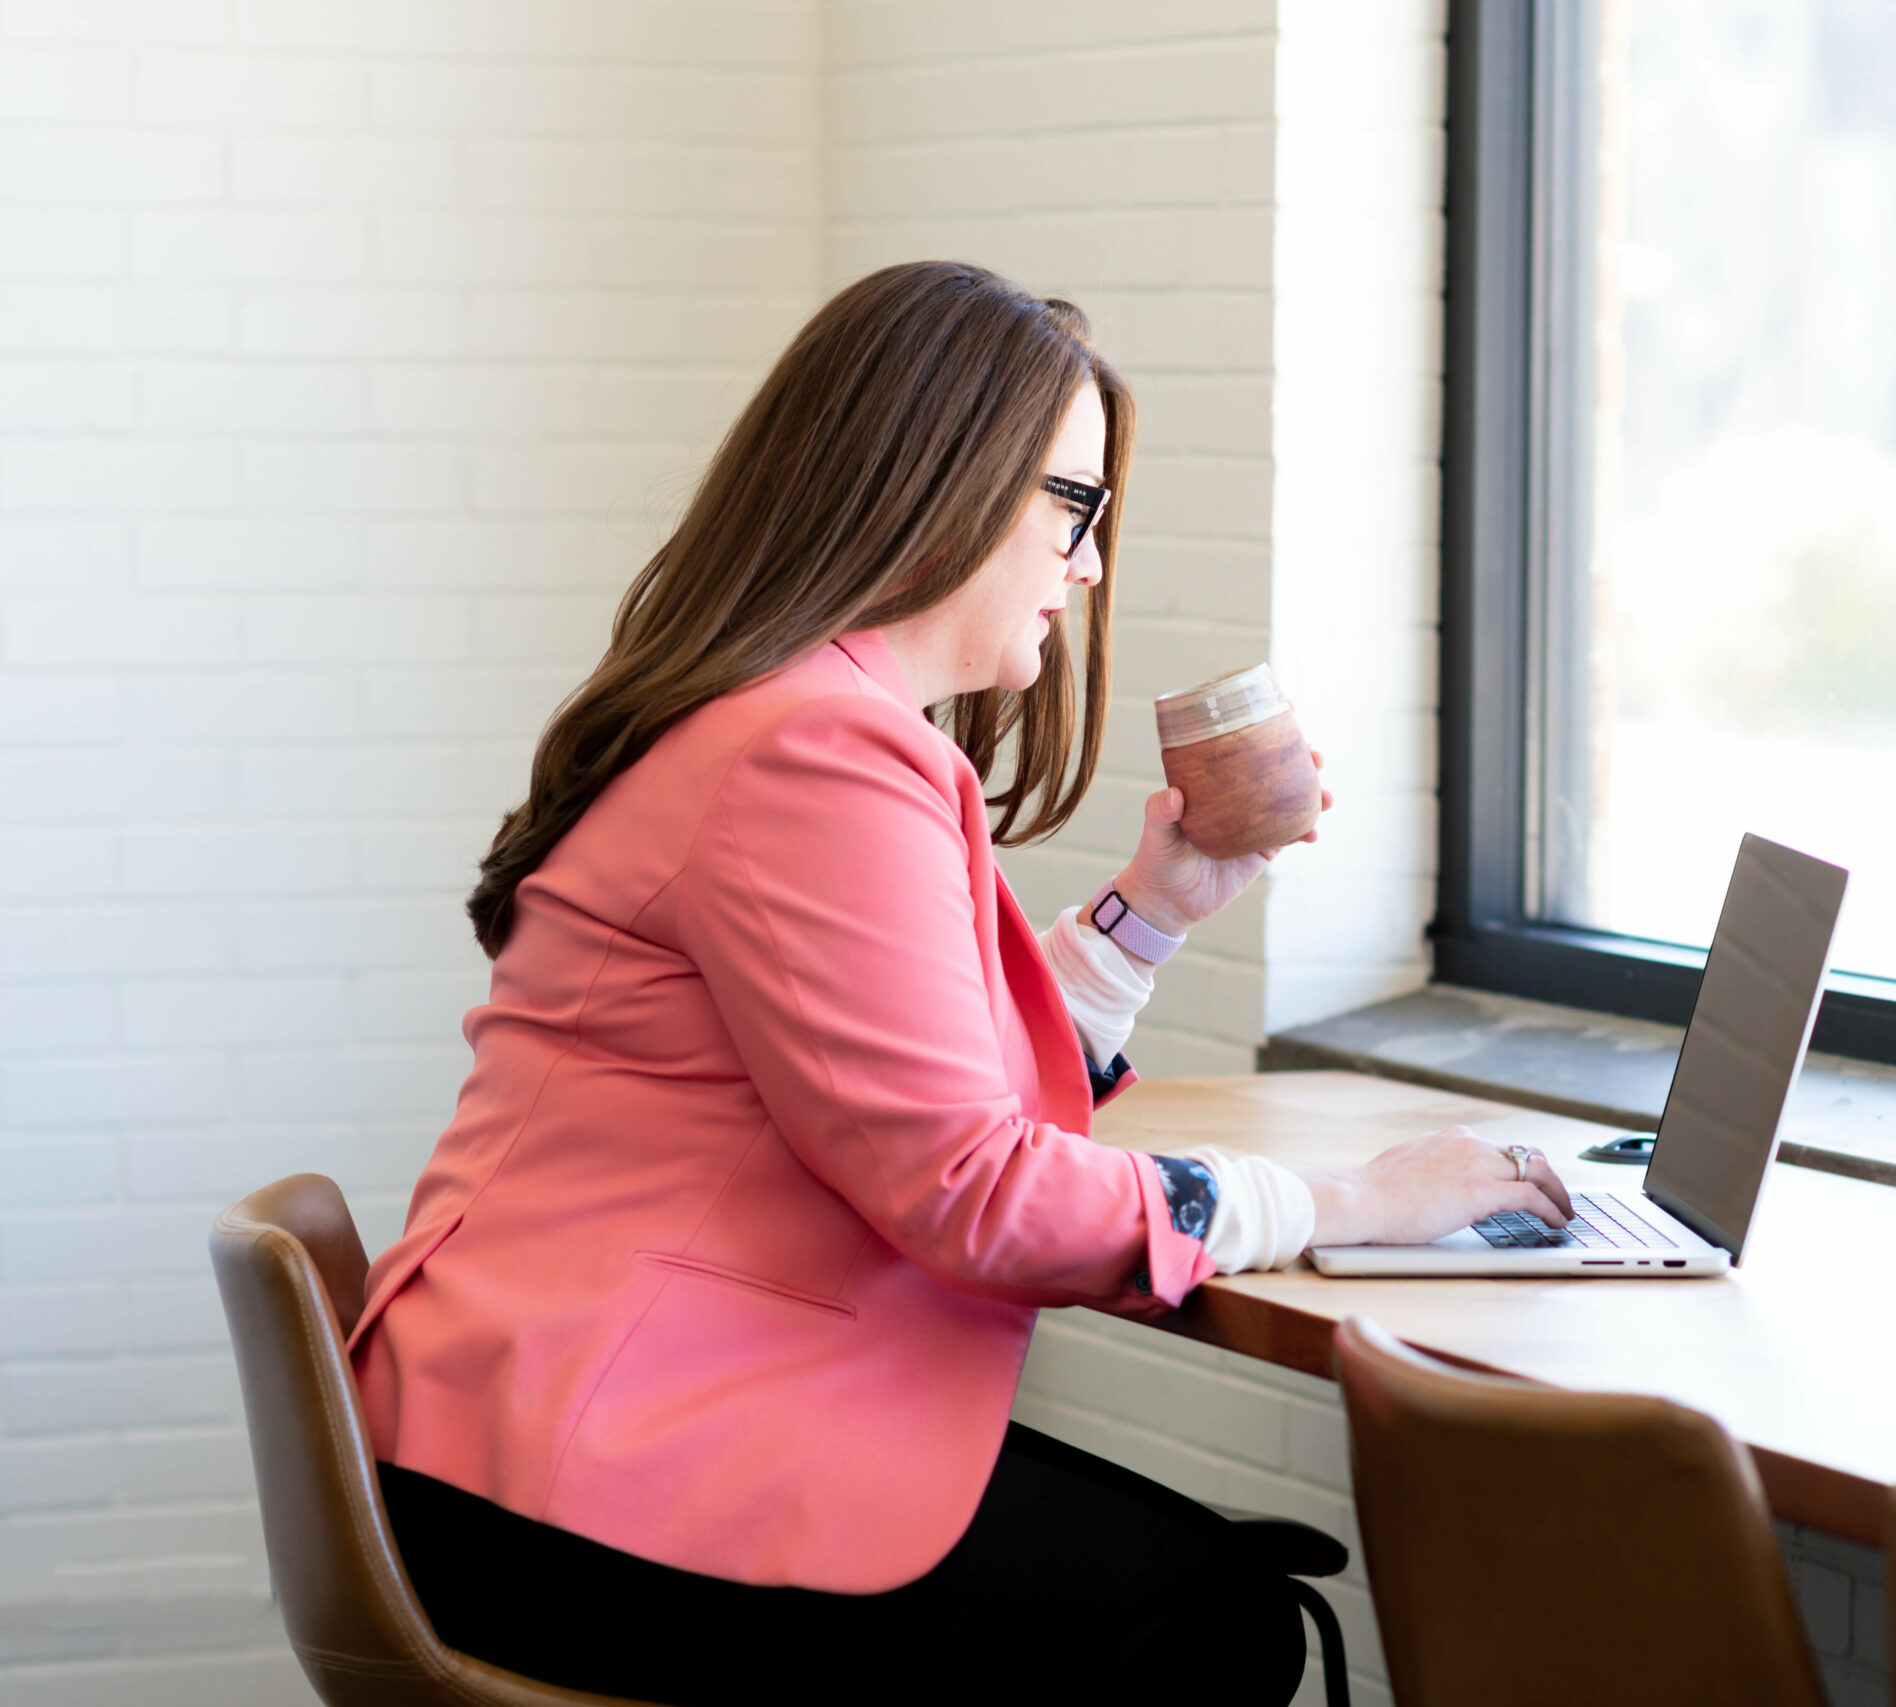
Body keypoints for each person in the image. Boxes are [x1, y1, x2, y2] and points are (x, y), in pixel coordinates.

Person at [349, 261, 1575, 1705]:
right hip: (572, 1486)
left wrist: (1155, 912)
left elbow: (928, 1083)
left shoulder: (779, 717)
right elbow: (979, 1193)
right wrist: (1364, 1203)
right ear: (937, 481)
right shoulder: (820, 752)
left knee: (1213, 1594)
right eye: (1077, 505)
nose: (1093, 564)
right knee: (1223, 1620)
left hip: (516, 1441)